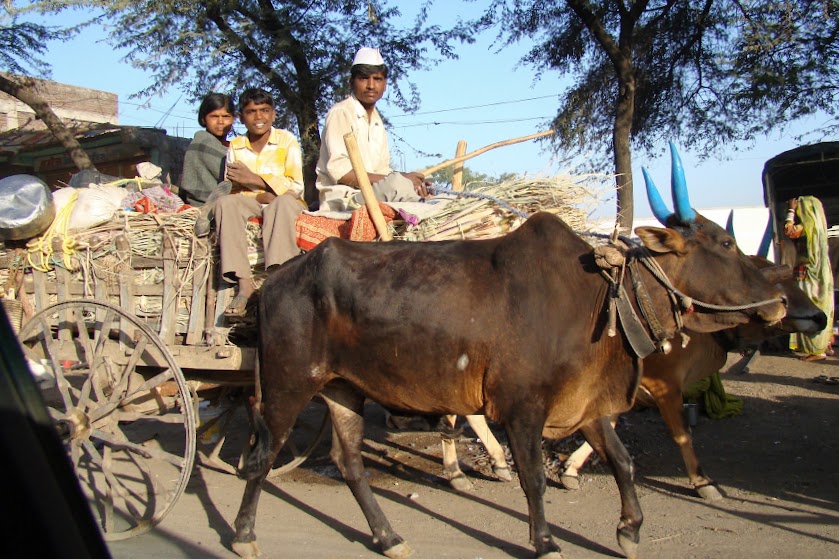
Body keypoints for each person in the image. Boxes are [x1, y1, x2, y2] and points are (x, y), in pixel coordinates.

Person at [214, 88, 305, 318]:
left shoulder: (286, 140)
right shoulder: (236, 146)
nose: (259, 117)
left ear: (273, 115)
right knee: (225, 203)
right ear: (242, 117)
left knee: (281, 204)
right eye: (251, 112)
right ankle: (244, 284)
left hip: (286, 202)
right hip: (254, 201)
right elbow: (233, 188)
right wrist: (261, 193)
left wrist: (254, 180)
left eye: (264, 111)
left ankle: (279, 279)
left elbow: (295, 186)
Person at [316, 47, 429, 212]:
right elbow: (341, 173)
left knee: (425, 179)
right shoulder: (341, 113)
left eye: (377, 79)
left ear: (385, 85)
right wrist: (401, 180)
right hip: (345, 199)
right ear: (352, 82)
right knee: (399, 184)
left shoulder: (377, 121)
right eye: (363, 78)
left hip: (374, 193)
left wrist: (411, 180)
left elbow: (383, 170)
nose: (370, 85)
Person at [784, 195, 835, 361]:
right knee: (821, 304)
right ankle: (823, 345)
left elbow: (789, 231)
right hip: (818, 274)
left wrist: (791, 211)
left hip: (807, 274)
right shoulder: (819, 229)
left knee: (809, 306)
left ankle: (816, 350)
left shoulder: (808, 227)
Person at [179, 93, 235, 206]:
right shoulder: (202, 142)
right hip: (205, 205)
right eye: (214, 116)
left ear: (233, 119)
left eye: (226, 116)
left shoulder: (232, 146)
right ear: (204, 119)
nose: (220, 121)